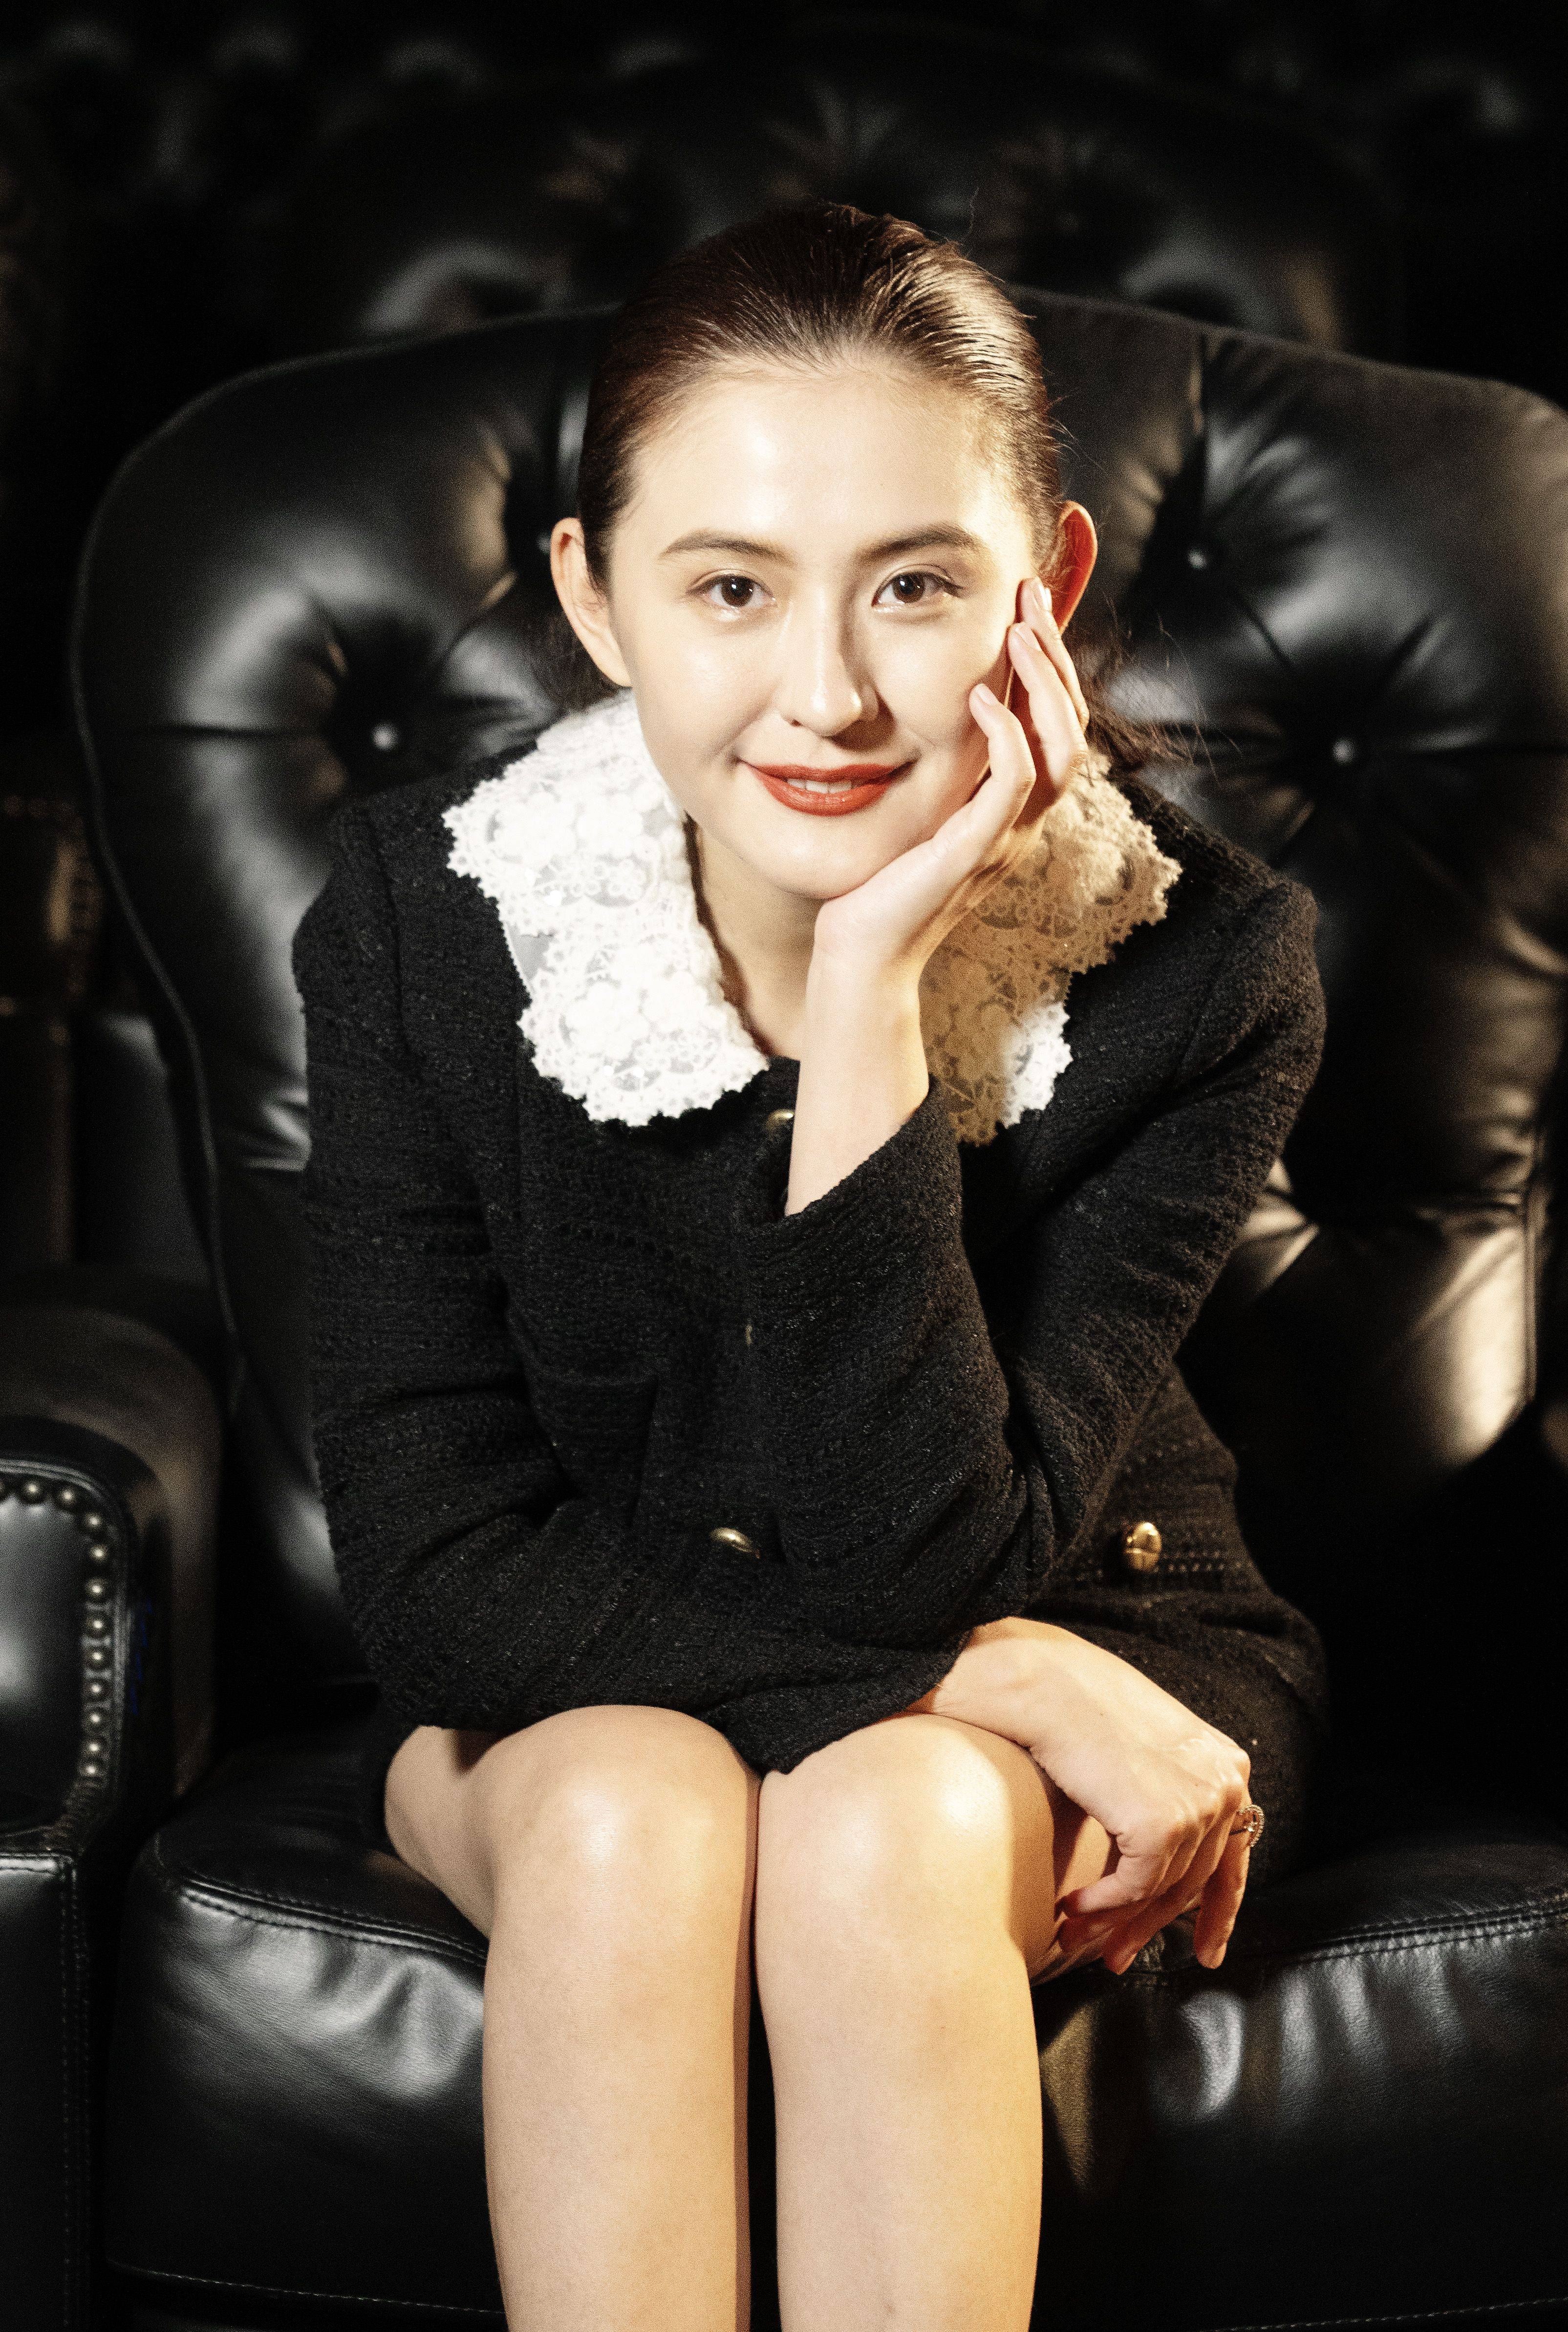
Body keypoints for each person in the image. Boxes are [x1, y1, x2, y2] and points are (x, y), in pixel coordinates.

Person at [293, 202, 1328, 2332]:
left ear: (1044, 591)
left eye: (916, 588)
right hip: (590, 1671)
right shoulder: (427, 919)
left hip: (1101, 1632)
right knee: (628, 1809)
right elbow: (434, 1571)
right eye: (730, 587)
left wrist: (870, 992)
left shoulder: (1204, 966)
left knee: (882, 1827)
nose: (831, 695)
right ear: (593, 598)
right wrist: (988, 1674)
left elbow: (921, 1546)